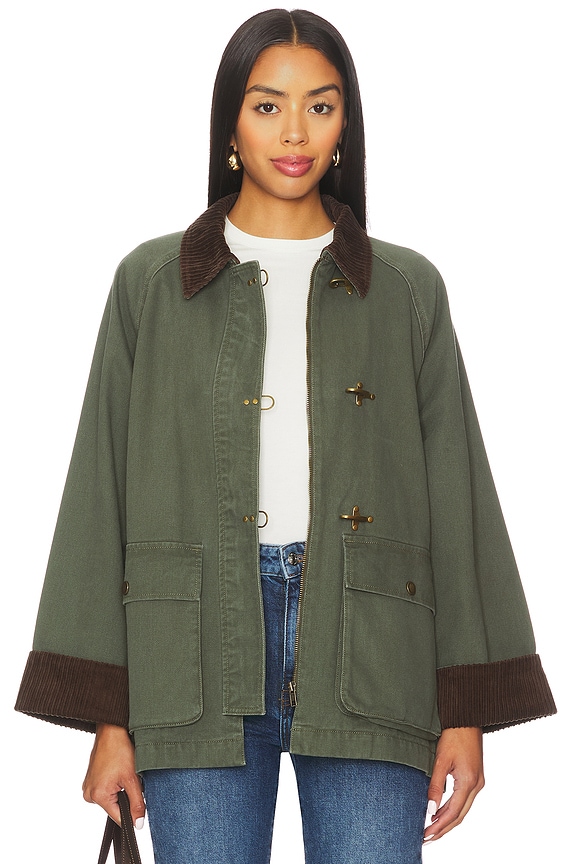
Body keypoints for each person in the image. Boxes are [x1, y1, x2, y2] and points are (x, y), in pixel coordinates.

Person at [15, 8, 556, 863]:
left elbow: (458, 493)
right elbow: (99, 490)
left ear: (346, 125)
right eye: (268, 106)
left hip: (374, 645)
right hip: (190, 653)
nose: (295, 132)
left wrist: (465, 711)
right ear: (230, 122)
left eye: (321, 106)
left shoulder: (407, 289)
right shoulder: (152, 284)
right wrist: (108, 720)